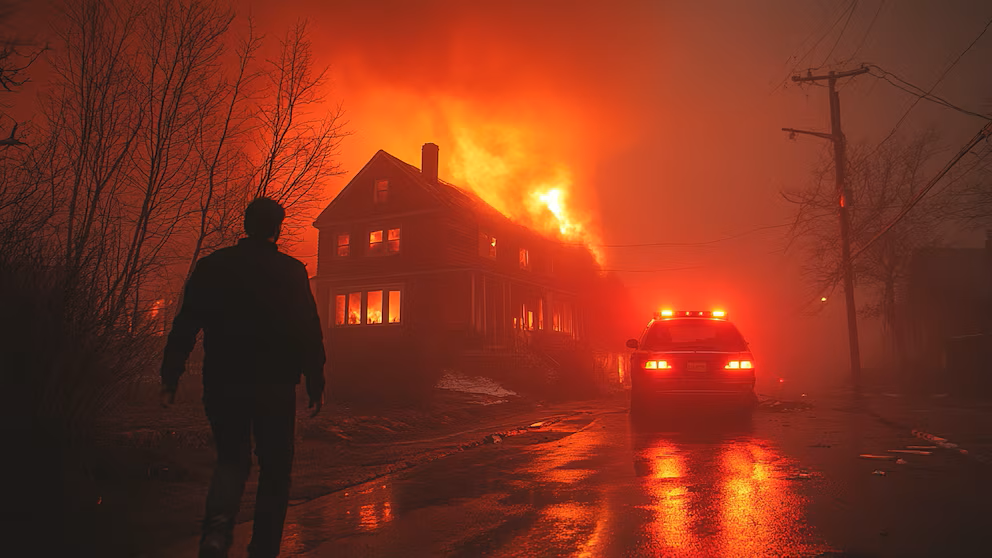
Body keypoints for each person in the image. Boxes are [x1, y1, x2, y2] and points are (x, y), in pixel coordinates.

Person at [160, 197, 326, 558]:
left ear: (245, 223)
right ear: (276, 228)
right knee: (275, 468)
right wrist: (315, 380)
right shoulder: (292, 272)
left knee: (231, 460)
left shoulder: (212, 267)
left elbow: (186, 323)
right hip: (275, 386)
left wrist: (170, 375)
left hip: (223, 382)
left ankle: (216, 536)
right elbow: (308, 331)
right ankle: (264, 549)